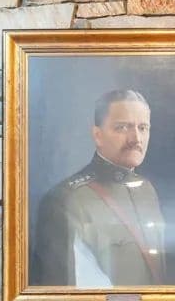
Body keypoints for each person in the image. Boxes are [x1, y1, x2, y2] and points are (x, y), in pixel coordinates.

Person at [32, 88, 167, 287]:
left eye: (143, 128)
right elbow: (61, 292)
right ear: (98, 135)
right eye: (123, 127)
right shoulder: (65, 201)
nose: (136, 139)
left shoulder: (147, 191)